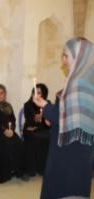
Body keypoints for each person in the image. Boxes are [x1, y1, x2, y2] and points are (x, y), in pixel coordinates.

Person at [33, 37, 94, 198]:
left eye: (66, 56)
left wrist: (44, 105)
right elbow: (66, 114)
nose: (64, 61)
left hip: (71, 150)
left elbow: (66, 117)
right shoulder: (84, 81)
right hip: (72, 146)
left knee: (65, 189)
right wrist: (51, 117)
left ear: (79, 57)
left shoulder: (79, 84)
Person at [0, 84, 26, 183]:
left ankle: (18, 171)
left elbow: (13, 121)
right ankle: (6, 174)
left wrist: (12, 130)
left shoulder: (8, 106)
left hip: (9, 132)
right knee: (5, 144)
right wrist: (3, 130)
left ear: (5, 94)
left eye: (1, 93)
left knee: (19, 143)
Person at [23, 83, 51, 176]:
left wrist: (43, 118)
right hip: (31, 128)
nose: (36, 94)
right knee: (33, 137)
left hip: (44, 128)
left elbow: (50, 122)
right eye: (34, 92)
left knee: (49, 137)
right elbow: (28, 120)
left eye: (39, 92)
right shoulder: (28, 104)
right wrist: (35, 119)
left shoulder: (47, 104)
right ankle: (32, 169)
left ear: (43, 94)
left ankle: (43, 168)